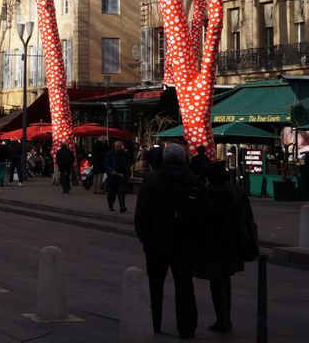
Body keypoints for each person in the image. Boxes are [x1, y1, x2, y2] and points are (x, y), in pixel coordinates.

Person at [135, 143, 204, 338]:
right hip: (186, 244)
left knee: (155, 285)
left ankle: (153, 323)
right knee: (185, 285)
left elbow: (142, 213)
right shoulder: (194, 181)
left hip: (157, 242)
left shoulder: (152, 180)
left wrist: (145, 238)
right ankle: (187, 327)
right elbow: (202, 213)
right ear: (184, 159)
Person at [195, 161, 258, 333]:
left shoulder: (209, 193)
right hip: (233, 241)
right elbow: (247, 216)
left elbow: (200, 219)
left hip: (214, 242)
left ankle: (222, 319)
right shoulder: (236, 191)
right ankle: (225, 317)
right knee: (225, 280)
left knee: (217, 281)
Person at [105, 140, 130, 212]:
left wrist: (127, 175)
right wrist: (111, 170)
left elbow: (127, 165)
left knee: (121, 192)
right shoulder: (110, 154)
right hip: (113, 176)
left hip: (121, 176)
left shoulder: (124, 154)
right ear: (115, 147)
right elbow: (106, 164)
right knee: (112, 192)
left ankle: (122, 206)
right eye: (117, 146)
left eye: (120, 146)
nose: (119, 148)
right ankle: (111, 205)